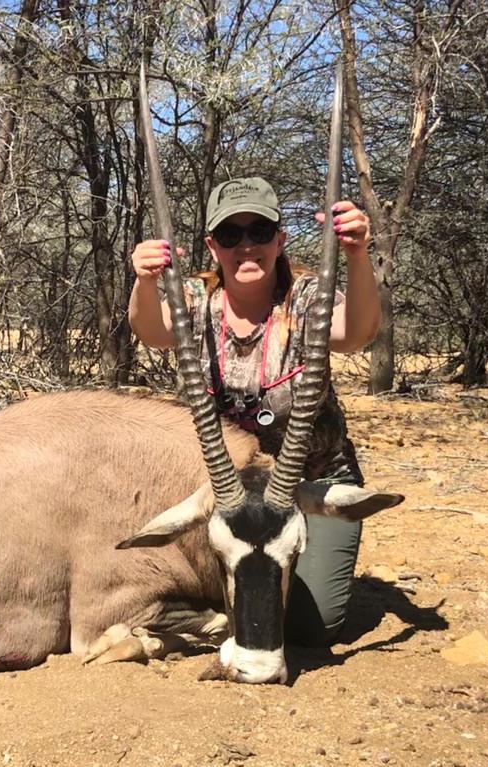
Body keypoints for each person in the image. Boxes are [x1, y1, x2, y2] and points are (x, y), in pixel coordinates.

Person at [128, 176, 380, 646]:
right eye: (231, 235)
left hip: (310, 484)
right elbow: (152, 330)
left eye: (260, 232)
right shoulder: (197, 303)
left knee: (314, 623)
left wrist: (357, 256)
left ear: (280, 239)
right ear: (212, 245)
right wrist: (144, 280)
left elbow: (359, 332)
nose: (247, 246)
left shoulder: (307, 300)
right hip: (226, 491)